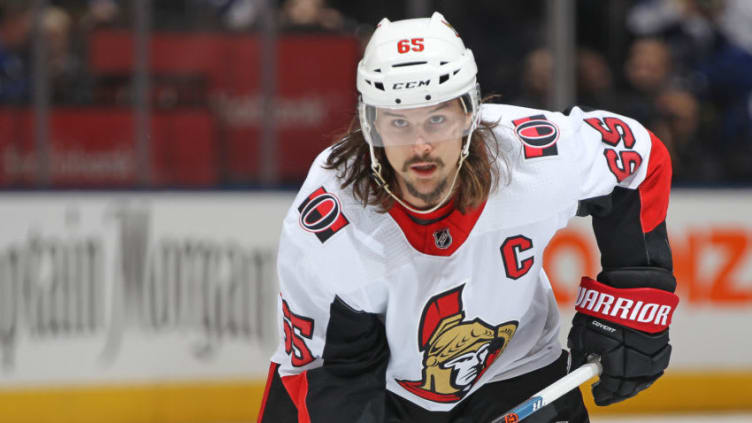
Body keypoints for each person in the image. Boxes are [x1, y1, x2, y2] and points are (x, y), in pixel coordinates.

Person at [258, 12, 678, 423]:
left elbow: (640, 160)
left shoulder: (530, 158)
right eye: (399, 122)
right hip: (388, 394)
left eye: (437, 119)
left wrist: (634, 296)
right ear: (372, 126)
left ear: (469, 114)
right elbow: (331, 373)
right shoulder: (332, 225)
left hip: (519, 370)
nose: (420, 145)